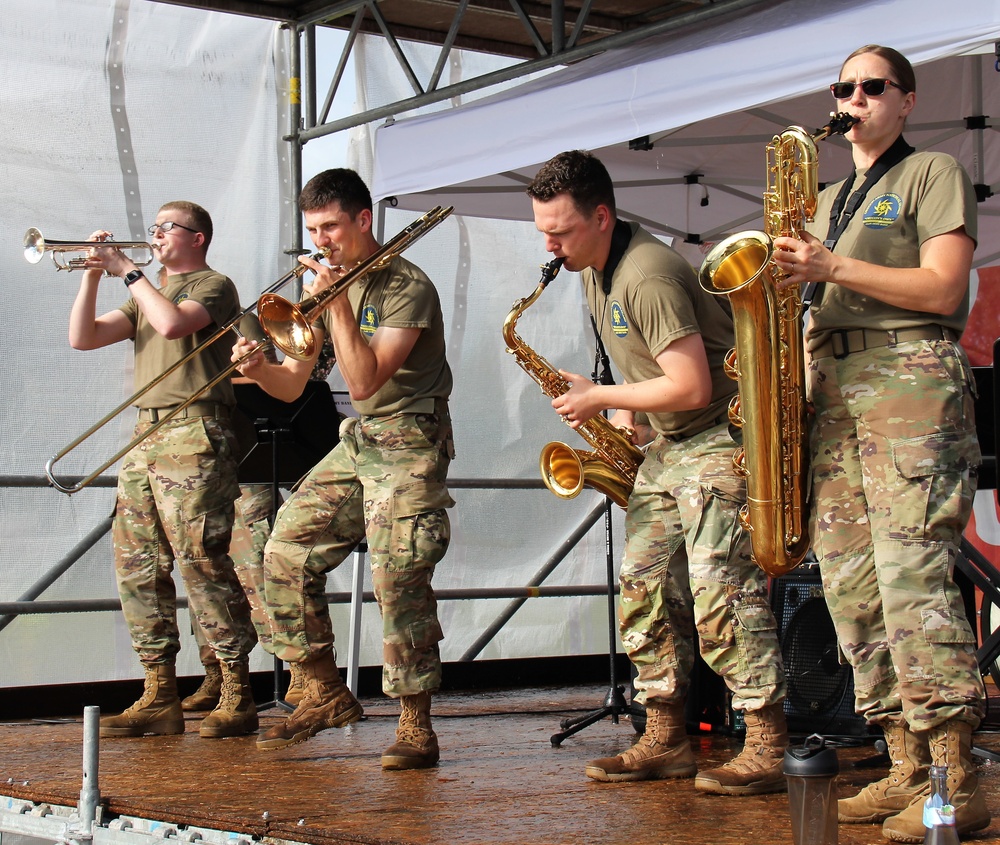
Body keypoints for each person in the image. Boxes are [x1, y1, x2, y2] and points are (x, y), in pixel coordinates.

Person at [771, 45, 989, 842]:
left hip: (908, 374)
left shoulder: (930, 172)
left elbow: (944, 289)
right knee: (853, 587)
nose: (855, 98)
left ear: (907, 100)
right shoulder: (825, 196)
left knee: (912, 576)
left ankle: (955, 779)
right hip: (832, 388)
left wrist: (831, 263)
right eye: (844, 87)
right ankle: (903, 762)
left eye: (873, 87)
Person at [526, 150, 789, 793]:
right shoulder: (592, 268)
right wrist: (633, 423)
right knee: (641, 587)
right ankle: (665, 735)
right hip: (672, 445)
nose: (550, 245)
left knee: (719, 589)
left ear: (602, 216)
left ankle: (767, 741)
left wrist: (602, 398)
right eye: (543, 232)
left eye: (560, 230)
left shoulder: (646, 275)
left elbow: (694, 384)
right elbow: (657, 376)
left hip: (721, 437)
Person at [233, 168, 455, 770]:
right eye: (312, 229)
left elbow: (363, 380)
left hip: (409, 438)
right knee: (281, 550)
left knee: (398, 577)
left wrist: (335, 304)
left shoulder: (407, 285)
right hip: (359, 441)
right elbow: (293, 386)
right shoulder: (336, 288)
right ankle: (323, 688)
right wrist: (258, 370)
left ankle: (415, 725)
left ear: (364, 220)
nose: (322, 240)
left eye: (331, 226)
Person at [69, 202, 258, 739]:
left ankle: (237, 689)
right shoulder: (144, 294)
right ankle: (159, 690)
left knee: (201, 558)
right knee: (136, 560)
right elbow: (82, 337)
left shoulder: (212, 284)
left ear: (197, 238)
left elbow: (174, 325)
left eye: (164, 227)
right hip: (145, 433)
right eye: (152, 228)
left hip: (195, 430)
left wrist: (127, 270)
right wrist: (90, 276)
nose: (153, 235)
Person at [183, 331, 340, 712]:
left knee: (254, 560)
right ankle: (218, 671)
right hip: (195, 456)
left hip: (247, 453)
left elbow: (291, 377)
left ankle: (297, 667)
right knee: (201, 566)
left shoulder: (243, 317)